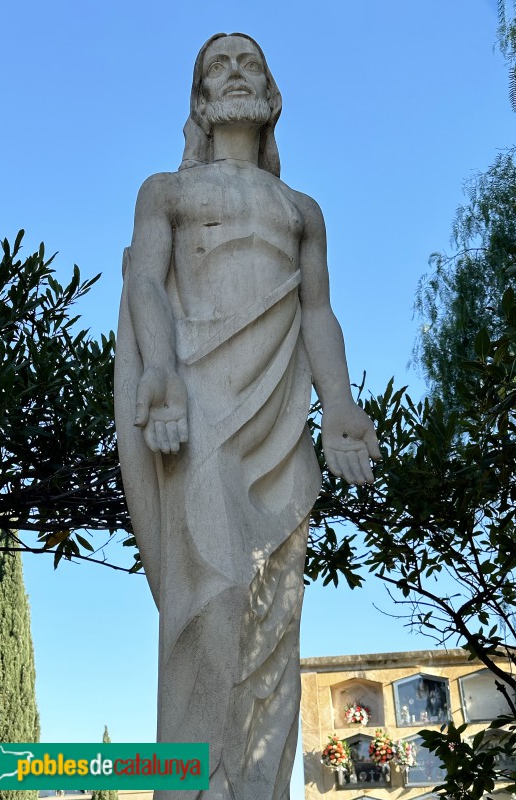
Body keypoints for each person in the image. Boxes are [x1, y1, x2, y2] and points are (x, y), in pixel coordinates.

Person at [114, 33, 380, 800]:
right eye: (216, 68)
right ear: (200, 101)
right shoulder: (165, 191)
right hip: (198, 410)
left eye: (248, 64)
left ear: (270, 96)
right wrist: (159, 373)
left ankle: (258, 784)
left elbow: (319, 313)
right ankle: (194, 784)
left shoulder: (301, 210)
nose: (234, 74)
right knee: (214, 591)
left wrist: (339, 408)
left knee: (273, 610)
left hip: (277, 419)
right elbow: (147, 285)